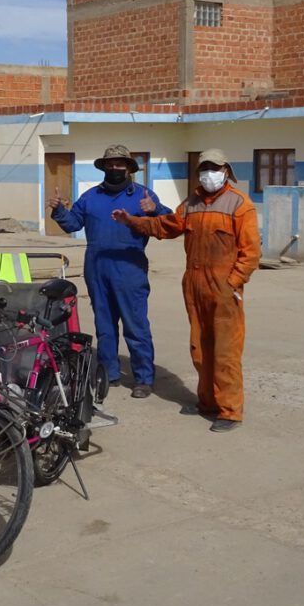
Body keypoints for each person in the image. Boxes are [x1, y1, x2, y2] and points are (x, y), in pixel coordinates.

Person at [111, 148, 260, 432]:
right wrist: (132, 221)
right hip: (194, 284)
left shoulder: (239, 204)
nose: (208, 173)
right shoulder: (191, 203)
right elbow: (167, 226)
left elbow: (251, 253)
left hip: (223, 287)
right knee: (200, 348)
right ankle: (207, 403)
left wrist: (233, 283)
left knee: (225, 351)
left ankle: (230, 411)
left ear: (226, 171)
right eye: (204, 168)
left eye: (214, 168)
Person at [47, 144, 172, 399]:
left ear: (128, 168)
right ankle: (108, 373)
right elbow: (74, 223)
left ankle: (143, 378)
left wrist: (155, 210)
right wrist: (59, 210)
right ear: (104, 167)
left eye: (120, 164)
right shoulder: (91, 197)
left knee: (135, 325)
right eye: (111, 164)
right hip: (96, 266)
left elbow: (168, 224)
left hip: (129, 266)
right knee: (104, 324)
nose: (115, 168)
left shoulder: (144, 196)